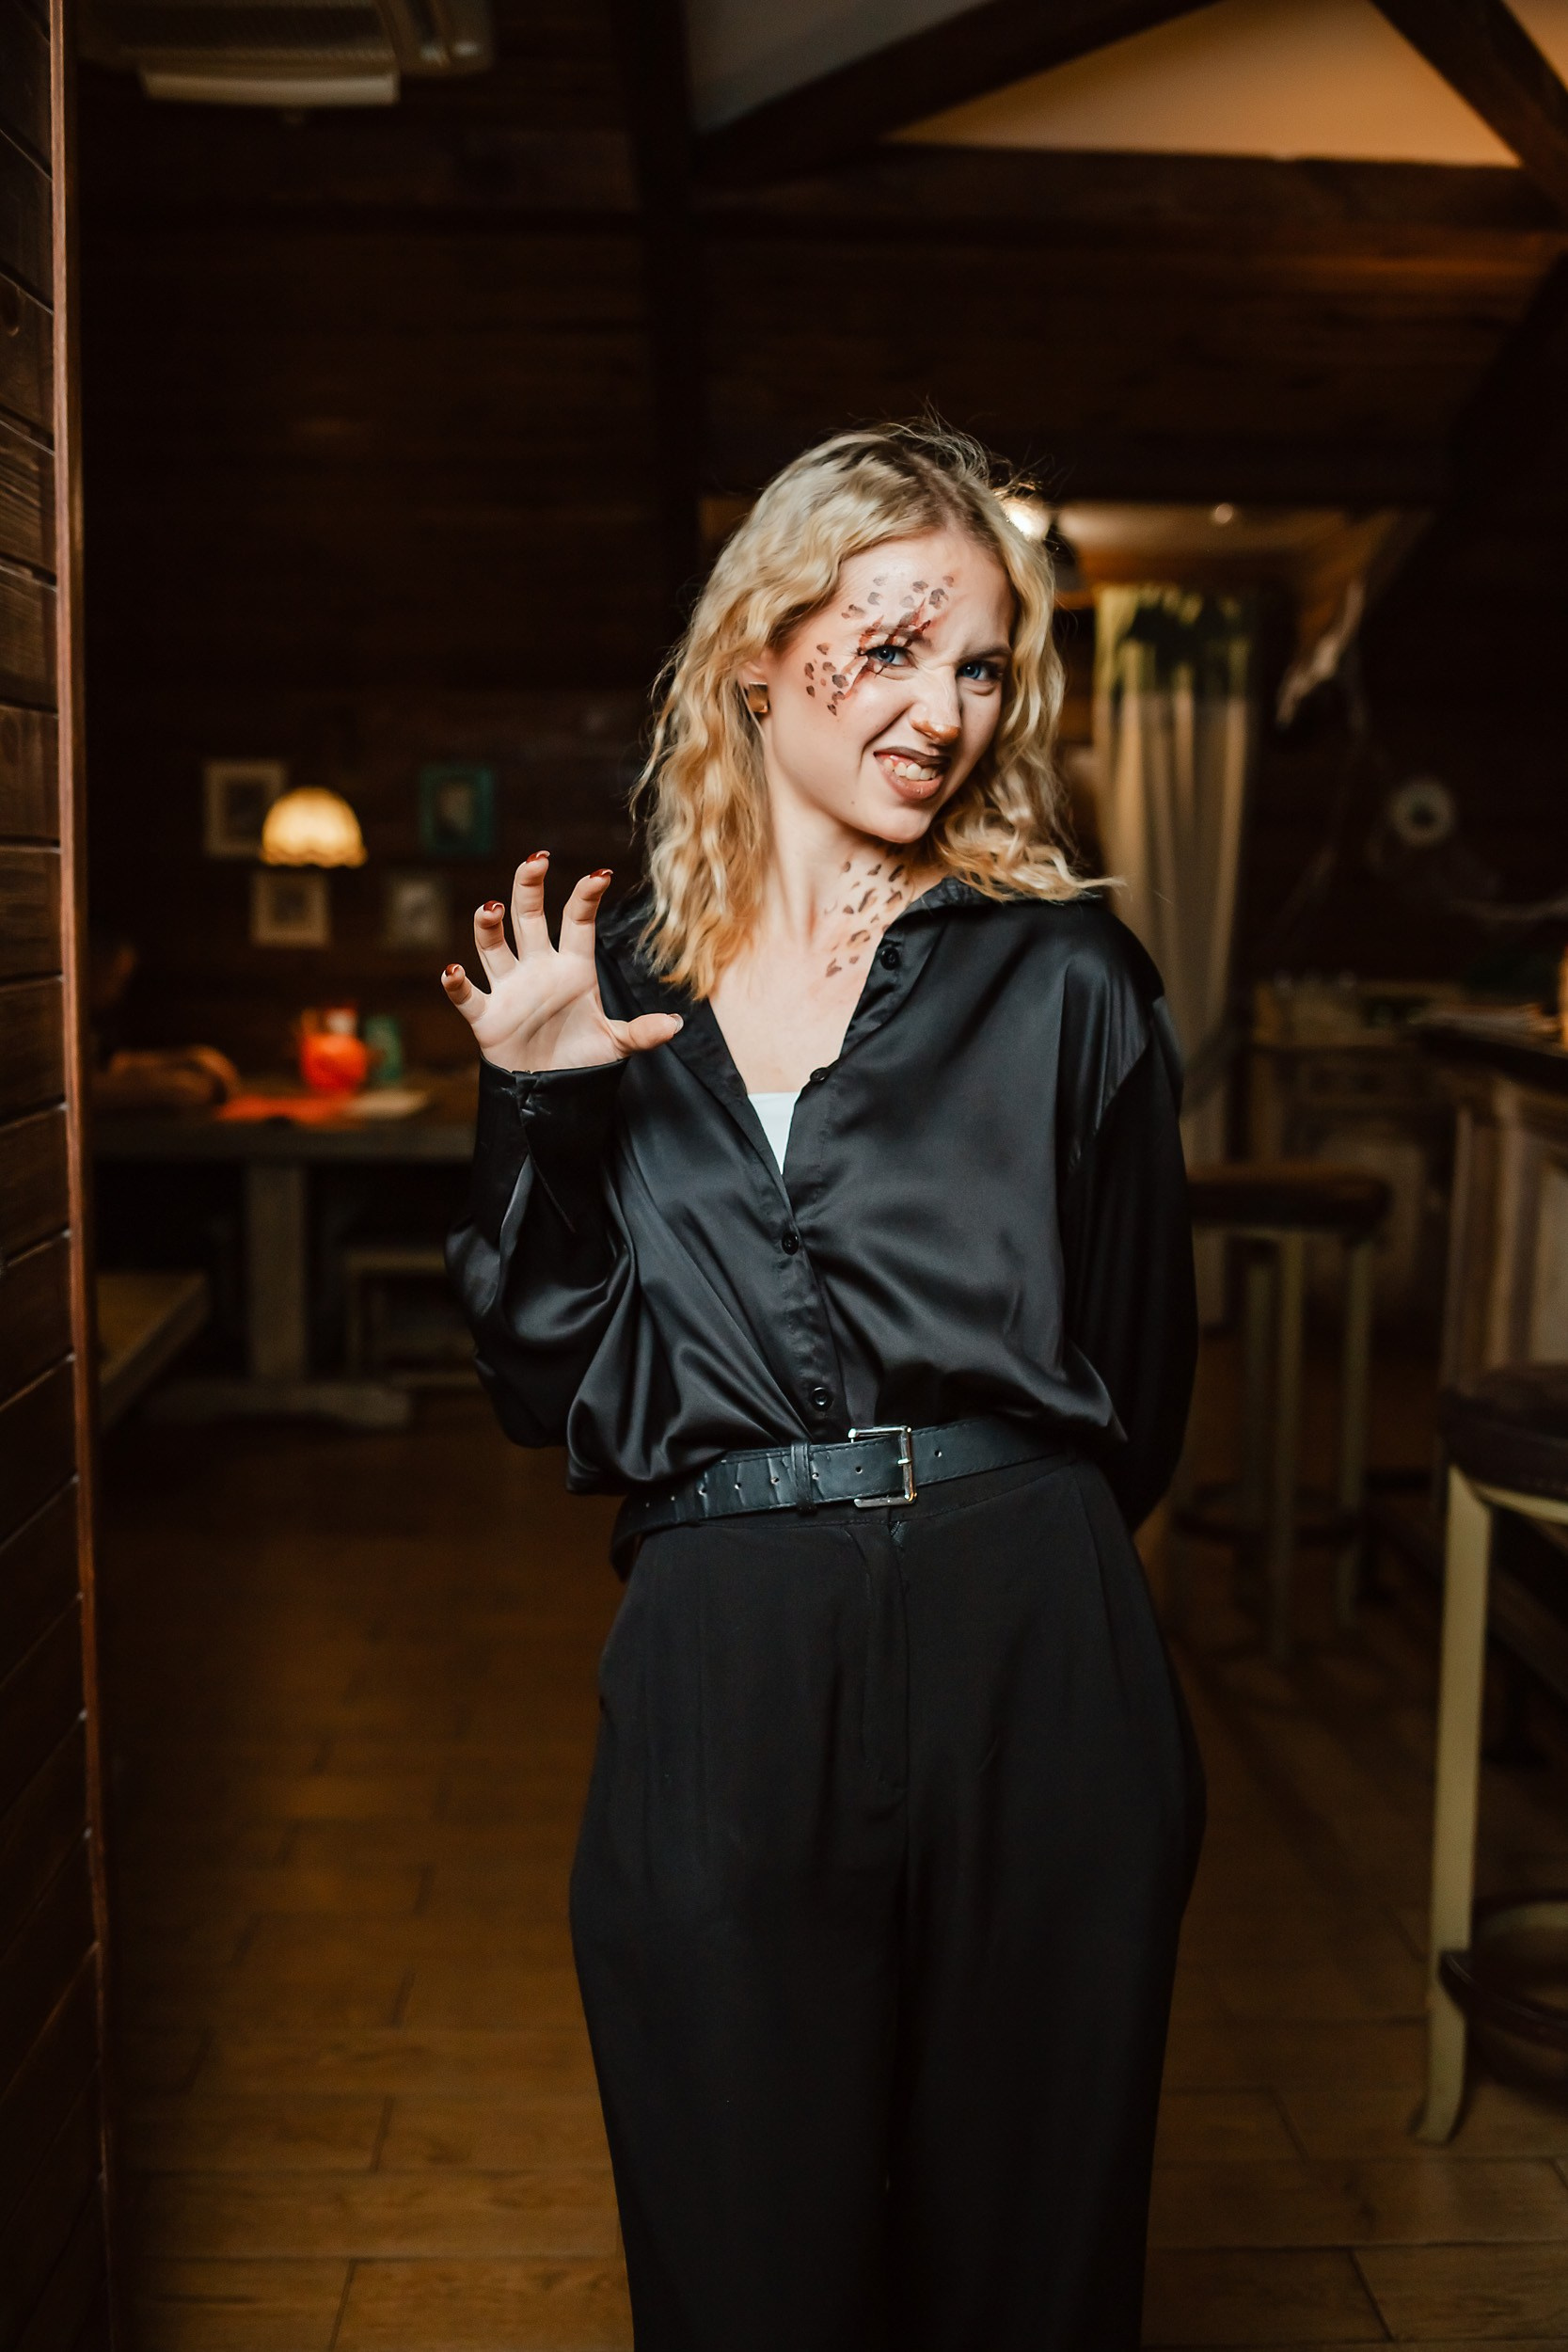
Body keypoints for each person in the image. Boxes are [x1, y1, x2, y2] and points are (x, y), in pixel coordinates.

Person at [443, 422, 1202, 2352]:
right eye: (890, 647)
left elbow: (1142, 1374)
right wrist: (538, 1104)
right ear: (759, 654)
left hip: (1034, 1639)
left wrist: (993, 1551)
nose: (941, 710)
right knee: (743, 2261)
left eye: (980, 668)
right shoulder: (610, 982)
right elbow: (540, 1379)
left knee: (1028, 2273)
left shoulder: (1069, 979)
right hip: (723, 1645)